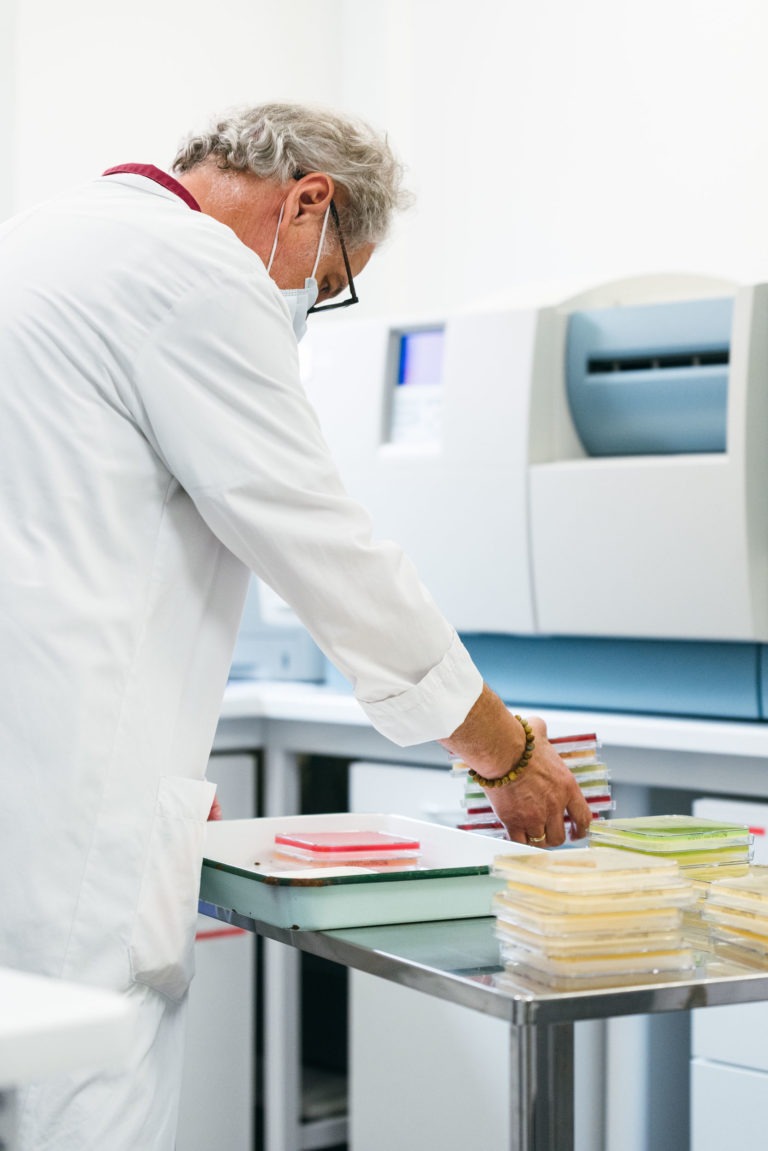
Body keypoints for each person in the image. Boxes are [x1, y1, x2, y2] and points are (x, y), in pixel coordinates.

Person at [0, 102, 591, 1150]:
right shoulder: (197, 275)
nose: (305, 300)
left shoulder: (51, 234)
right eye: (325, 279)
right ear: (308, 200)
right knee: (84, 1087)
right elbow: (322, 545)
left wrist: (155, 752)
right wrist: (506, 750)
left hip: (39, 759)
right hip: (65, 796)